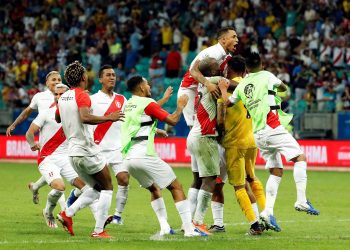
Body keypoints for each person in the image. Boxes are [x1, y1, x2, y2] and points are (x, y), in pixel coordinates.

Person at [219, 52, 320, 232]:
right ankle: (301, 200)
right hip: (272, 127)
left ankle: (267, 213)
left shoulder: (243, 85)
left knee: (276, 170)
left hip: (258, 134)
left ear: (247, 67)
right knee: (300, 158)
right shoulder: (267, 76)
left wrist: (224, 89)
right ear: (262, 63)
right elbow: (284, 88)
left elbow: (227, 103)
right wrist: (274, 89)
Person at [121, 76, 205, 237]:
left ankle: (164, 226)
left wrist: (164, 100)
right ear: (141, 88)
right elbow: (173, 120)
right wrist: (180, 107)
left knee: (153, 188)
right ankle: (189, 229)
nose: (149, 85)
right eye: (147, 83)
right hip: (144, 153)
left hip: (129, 158)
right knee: (176, 187)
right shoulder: (147, 103)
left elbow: (145, 115)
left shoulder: (130, 104)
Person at [55, 61, 124, 238]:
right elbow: (85, 117)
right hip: (86, 150)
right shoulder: (82, 95)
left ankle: (67, 214)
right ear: (84, 77)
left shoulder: (63, 97)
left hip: (72, 153)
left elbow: (57, 118)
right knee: (108, 187)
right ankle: (99, 230)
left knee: (95, 188)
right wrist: (109, 117)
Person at [178, 27, 239, 218]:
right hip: (190, 90)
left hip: (197, 91)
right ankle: (196, 217)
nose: (237, 40)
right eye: (233, 37)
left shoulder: (225, 56)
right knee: (202, 133)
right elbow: (193, 70)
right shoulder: (213, 52)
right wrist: (208, 83)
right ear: (222, 39)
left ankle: (199, 175)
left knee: (198, 172)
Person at [215, 56, 266, 235]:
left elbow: (220, 118)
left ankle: (255, 225)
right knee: (252, 179)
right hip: (252, 140)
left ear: (229, 70)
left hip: (235, 142)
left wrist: (221, 91)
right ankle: (266, 216)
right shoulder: (250, 86)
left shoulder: (227, 88)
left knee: (239, 185)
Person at [25, 83, 87, 229]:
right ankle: (48, 212)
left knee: (85, 188)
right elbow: (29, 132)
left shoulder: (77, 112)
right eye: (56, 95)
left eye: (61, 94)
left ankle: (70, 213)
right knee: (59, 187)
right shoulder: (47, 113)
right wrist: (32, 144)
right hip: (47, 158)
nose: (58, 97)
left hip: (66, 158)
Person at [6, 71, 67, 208]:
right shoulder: (40, 97)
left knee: (54, 172)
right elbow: (27, 112)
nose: (57, 81)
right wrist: (14, 124)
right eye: (53, 79)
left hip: (64, 142)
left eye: (59, 79)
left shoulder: (66, 96)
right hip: (47, 144)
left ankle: (35, 187)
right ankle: (65, 210)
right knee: (57, 177)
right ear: (46, 83)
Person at [90, 65, 129, 225]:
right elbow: (86, 119)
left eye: (113, 75)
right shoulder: (92, 99)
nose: (112, 77)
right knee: (100, 187)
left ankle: (117, 216)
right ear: (100, 79)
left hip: (118, 148)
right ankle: (77, 202)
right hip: (98, 148)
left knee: (124, 179)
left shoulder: (122, 99)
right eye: (108, 75)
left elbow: (128, 121)